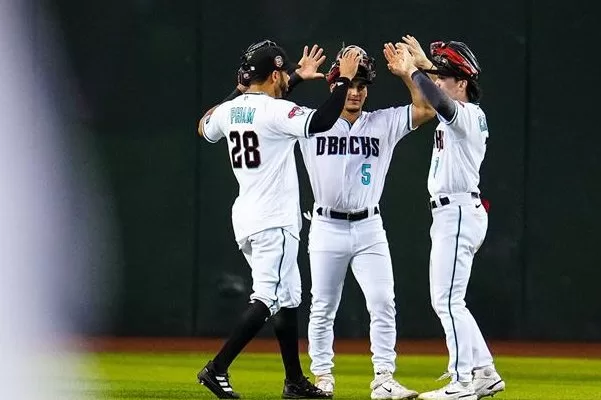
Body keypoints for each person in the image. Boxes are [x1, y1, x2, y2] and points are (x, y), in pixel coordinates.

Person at [195, 41, 361, 399]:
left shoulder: (230, 111)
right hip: (274, 219)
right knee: (269, 296)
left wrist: (282, 82)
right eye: (284, 73)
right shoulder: (275, 111)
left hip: (247, 216)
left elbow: (204, 126)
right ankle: (217, 368)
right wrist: (343, 81)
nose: (288, 78)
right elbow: (320, 121)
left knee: (288, 297)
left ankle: (294, 382)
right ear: (273, 75)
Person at [299, 44, 435, 400]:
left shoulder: (382, 122)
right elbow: (275, 107)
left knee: (383, 301)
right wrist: (301, 77)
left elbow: (424, 108)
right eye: (349, 84)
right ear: (334, 86)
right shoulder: (311, 124)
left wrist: (408, 73)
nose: (356, 91)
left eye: (362, 85)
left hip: (369, 227)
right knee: (323, 306)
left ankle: (384, 378)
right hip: (327, 226)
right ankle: (323, 377)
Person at [387, 35, 505, 400]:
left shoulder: (467, 114)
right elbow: (439, 93)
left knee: (448, 300)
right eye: (436, 75)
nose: (437, 81)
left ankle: (462, 382)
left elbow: (438, 100)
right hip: (454, 212)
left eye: (445, 76)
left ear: (463, 83)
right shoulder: (464, 114)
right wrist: (425, 66)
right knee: (451, 301)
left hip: (456, 211)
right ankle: (484, 371)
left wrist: (414, 70)